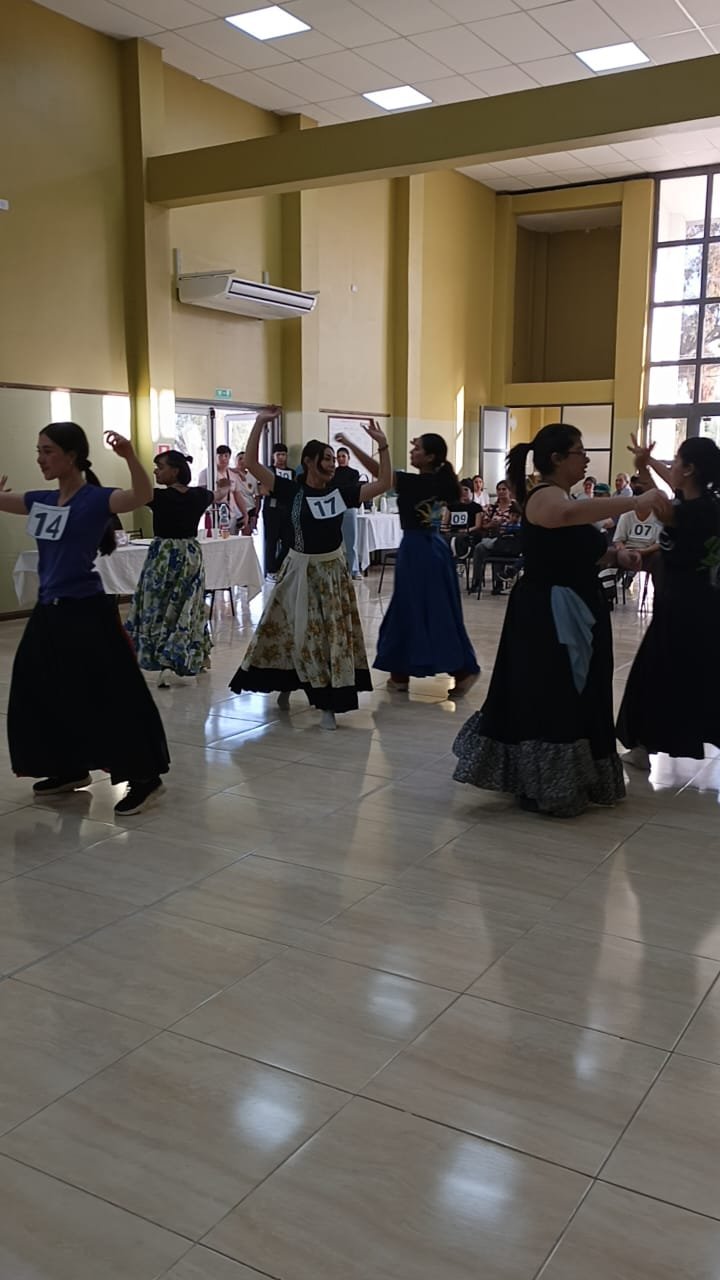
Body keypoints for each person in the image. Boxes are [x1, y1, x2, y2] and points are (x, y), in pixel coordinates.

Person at [452, 423, 666, 817]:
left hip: (577, 605)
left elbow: (581, 548)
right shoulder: (544, 496)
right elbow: (563, 515)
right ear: (556, 458)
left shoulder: (567, 498)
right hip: (549, 613)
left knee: (578, 691)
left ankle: (569, 778)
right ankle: (547, 784)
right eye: (579, 452)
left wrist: (618, 556)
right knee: (553, 693)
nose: (586, 459)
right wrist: (632, 500)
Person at [3, 422, 170, 815]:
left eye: (47, 451)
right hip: (49, 612)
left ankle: (145, 777)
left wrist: (129, 455)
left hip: (86, 611)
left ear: (72, 455)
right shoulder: (43, 500)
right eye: (38, 450)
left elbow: (142, 495)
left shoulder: (95, 500)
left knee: (112, 695)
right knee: (41, 690)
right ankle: (68, 766)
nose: (40, 458)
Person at [230, 409, 392, 730]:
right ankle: (287, 682)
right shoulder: (290, 490)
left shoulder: (341, 492)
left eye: (333, 459)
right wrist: (260, 423)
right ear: (308, 461)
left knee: (327, 636)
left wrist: (383, 446)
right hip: (297, 571)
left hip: (331, 574)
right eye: (327, 459)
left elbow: (385, 482)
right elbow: (251, 463)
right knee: (289, 630)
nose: (332, 464)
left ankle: (327, 701)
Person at [617, 434, 720, 770]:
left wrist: (642, 469)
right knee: (694, 676)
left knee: (657, 676)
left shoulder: (691, 512)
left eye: (676, 461)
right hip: (699, 606)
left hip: (682, 609)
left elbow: (658, 503)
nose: (671, 466)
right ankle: (646, 745)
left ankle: (643, 746)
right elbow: (671, 491)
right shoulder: (706, 504)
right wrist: (648, 462)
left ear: (689, 469)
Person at [356, 433, 480, 698]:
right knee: (419, 609)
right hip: (433, 548)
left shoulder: (418, 483)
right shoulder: (437, 481)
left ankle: (458, 670)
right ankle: (400, 673)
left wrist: (375, 444)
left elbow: (381, 474)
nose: (413, 451)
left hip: (419, 550)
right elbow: (385, 474)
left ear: (431, 456)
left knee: (418, 610)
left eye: (418, 448)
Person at [126, 451, 213, 687]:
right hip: (190, 553)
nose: (156, 471)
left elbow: (137, 491)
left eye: (160, 467)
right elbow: (216, 494)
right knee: (188, 605)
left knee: (159, 605)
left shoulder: (159, 497)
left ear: (175, 471)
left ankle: (165, 656)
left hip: (164, 555)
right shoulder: (200, 495)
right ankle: (193, 652)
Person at [470, 480, 520, 594]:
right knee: (479, 548)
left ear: (509, 491)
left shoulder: (516, 507)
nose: (501, 492)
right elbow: (483, 525)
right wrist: (491, 525)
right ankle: (477, 581)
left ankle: (498, 583)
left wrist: (507, 524)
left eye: (504, 489)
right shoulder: (491, 508)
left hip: (510, 540)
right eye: (499, 489)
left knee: (498, 546)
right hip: (493, 537)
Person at [262, 441, 293, 577]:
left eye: (283, 455)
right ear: (273, 456)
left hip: (287, 509)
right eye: (278, 455)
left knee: (288, 541)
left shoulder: (291, 472)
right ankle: (271, 570)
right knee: (271, 541)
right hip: (272, 509)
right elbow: (264, 490)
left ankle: (279, 566)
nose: (281, 458)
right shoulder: (268, 471)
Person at [199, 445, 247, 533]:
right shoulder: (206, 473)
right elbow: (201, 495)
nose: (223, 459)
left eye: (226, 456)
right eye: (220, 456)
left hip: (230, 514)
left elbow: (238, 495)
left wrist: (245, 514)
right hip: (213, 513)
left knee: (231, 538)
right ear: (215, 457)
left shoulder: (233, 474)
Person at [333, 441, 362, 579]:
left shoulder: (354, 473)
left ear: (348, 458)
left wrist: (341, 490)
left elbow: (352, 489)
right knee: (336, 541)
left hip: (349, 509)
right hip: (335, 508)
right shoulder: (333, 473)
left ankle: (354, 569)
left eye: (343, 456)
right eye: (338, 457)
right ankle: (339, 570)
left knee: (351, 541)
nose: (341, 459)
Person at [613, 507, 663, 583]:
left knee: (660, 558)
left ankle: (660, 589)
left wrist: (644, 551)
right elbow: (618, 540)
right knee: (610, 555)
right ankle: (611, 586)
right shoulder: (626, 515)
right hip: (627, 551)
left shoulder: (659, 516)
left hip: (649, 553)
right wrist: (625, 551)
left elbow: (659, 543)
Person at [233, 451, 259, 534]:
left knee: (247, 535)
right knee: (232, 536)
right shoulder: (230, 474)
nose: (242, 461)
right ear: (235, 461)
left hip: (249, 509)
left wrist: (255, 514)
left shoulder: (253, 476)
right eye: (240, 459)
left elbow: (257, 497)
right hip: (234, 510)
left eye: (245, 459)